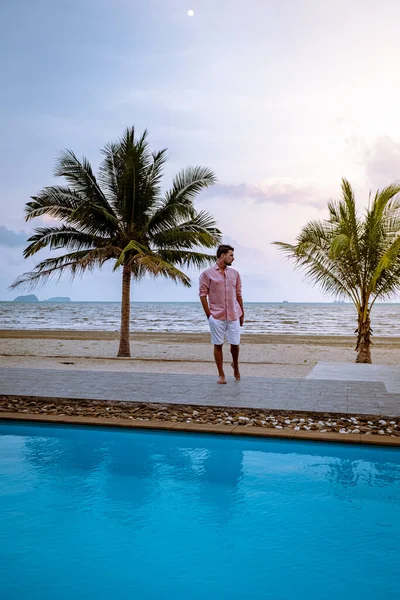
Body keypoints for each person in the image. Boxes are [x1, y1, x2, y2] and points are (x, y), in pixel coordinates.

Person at [199, 244, 244, 384]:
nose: (233, 258)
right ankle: (221, 374)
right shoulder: (207, 274)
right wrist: (209, 315)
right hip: (216, 316)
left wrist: (242, 314)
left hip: (233, 314)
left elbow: (238, 294)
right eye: (231, 255)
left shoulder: (235, 274)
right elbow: (202, 295)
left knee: (235, 344)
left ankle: (235, 365)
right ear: (222, 255)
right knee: (218, 344)